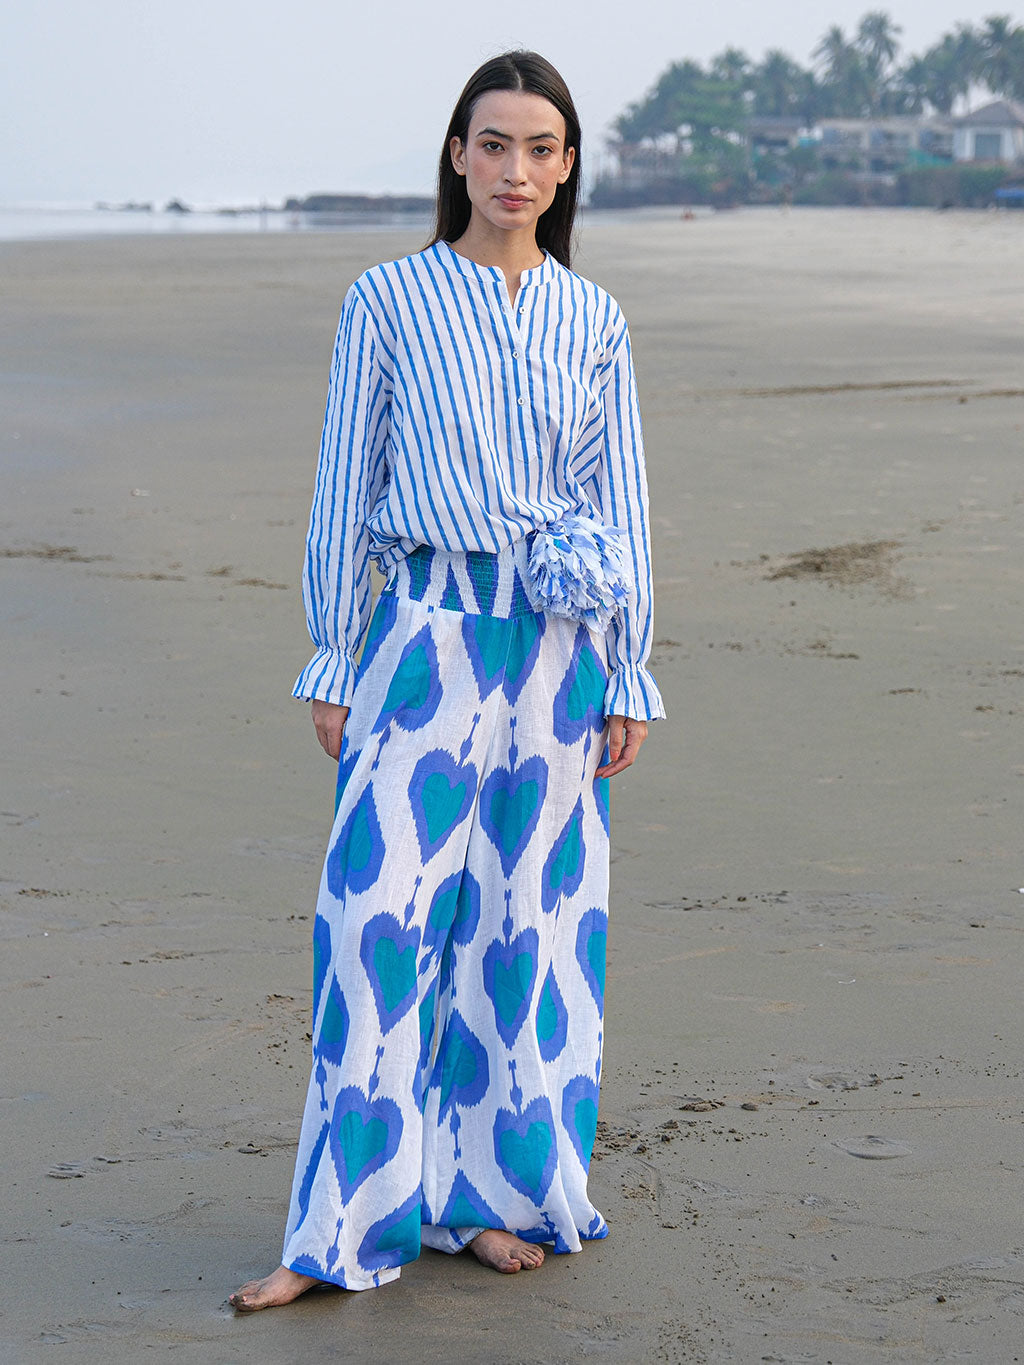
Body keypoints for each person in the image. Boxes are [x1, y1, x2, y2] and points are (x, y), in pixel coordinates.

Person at [230, 48, 665, 1312]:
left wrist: (628, 671)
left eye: (539, 149)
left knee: (528, 931)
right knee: (378, 927)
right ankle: (340, 1232)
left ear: (566, 165)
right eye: (491, 144)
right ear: (457, 155)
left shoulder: (594, 319)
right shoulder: (387, 299)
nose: (513, 170)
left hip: (554, 652)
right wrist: (332, 652)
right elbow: (342, 488)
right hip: (419, 637)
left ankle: (489, 1196)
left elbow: (616, 501)